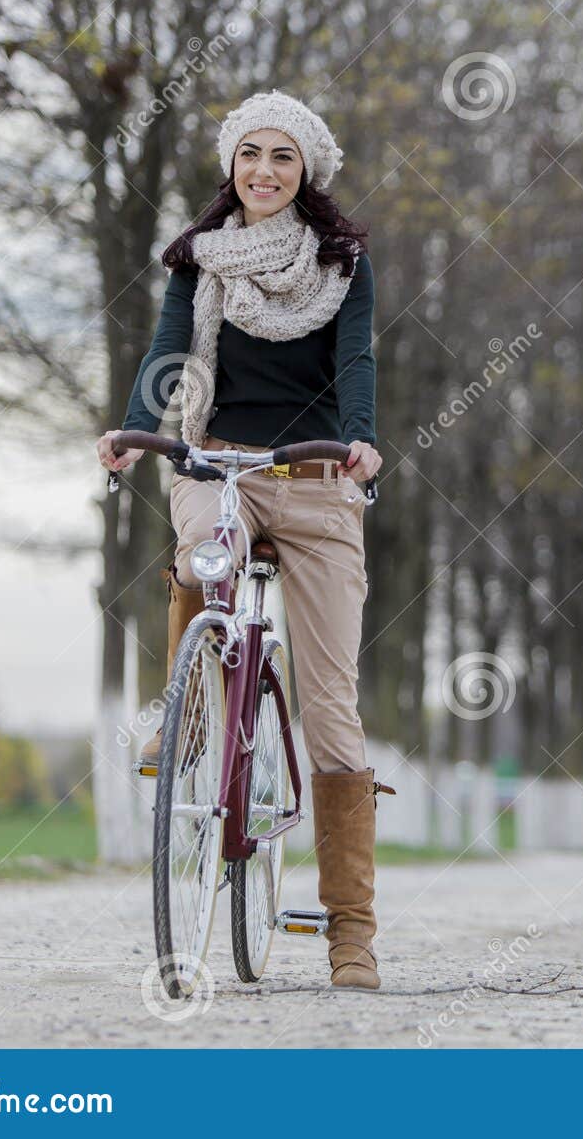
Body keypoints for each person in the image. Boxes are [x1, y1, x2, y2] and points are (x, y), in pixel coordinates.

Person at [95, 90, 387, 990]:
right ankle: (188, 723)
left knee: (331, 702)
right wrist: (136, 424)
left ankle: (351, 931)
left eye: (283, 157)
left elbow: (356, 361)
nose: (263, 171)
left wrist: (363, 438)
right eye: (249, 154)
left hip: (316, 480)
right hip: (219, 463)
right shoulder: (198, 258)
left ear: (307, 172)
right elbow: (171, 349)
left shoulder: (342, 261)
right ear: (232, 165)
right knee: (198, 556)